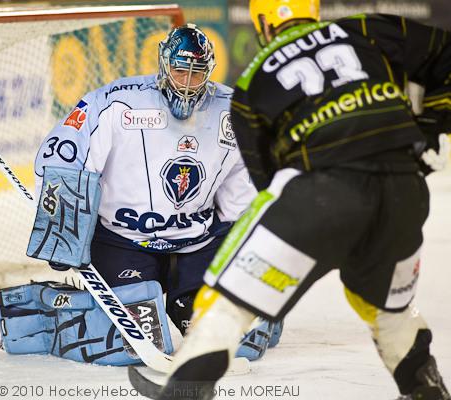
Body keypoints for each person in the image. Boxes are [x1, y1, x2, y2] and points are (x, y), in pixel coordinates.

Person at [134, 1, 451, 399]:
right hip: (405, 192)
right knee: (387, 309)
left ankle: (185, 387)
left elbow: (269, 180)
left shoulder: (251, 83)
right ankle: (425, 389)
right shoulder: (368, 29)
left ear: (263, 24)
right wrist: (432, 124)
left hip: (319, 193)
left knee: (226, 290)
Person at [0, 24, 282, 366]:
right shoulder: (116, 102)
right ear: (163, 65)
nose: (187, 83)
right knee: (135, 346)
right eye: (179, 70)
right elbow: (63, 153)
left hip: (195, 244)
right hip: (123, 242)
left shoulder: (232, 112)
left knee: (241, 344)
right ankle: (48, 312)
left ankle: (192, 300)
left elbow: (246, 187)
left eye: (197, 73)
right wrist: (64, 232)